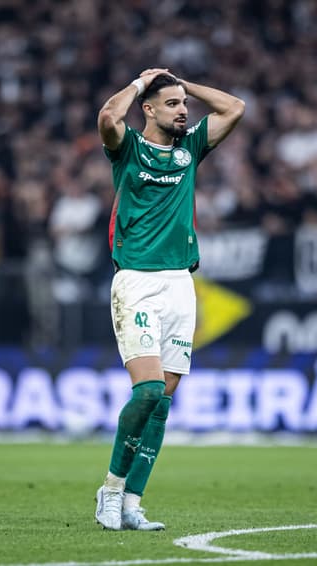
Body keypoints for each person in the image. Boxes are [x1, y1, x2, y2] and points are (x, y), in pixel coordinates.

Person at [94, 69, 244, 530]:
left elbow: (234, 107)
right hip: (136, 281)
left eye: (185, 104)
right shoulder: (129, 150)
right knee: (149, 390)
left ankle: (133, 502)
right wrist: (142, 82)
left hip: (181, 282)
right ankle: (111, 491)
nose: (184, 110)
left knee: (164, 401)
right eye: (174, 104)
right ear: (150, 110)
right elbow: (106, 116)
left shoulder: (189, 148)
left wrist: (184, 83)